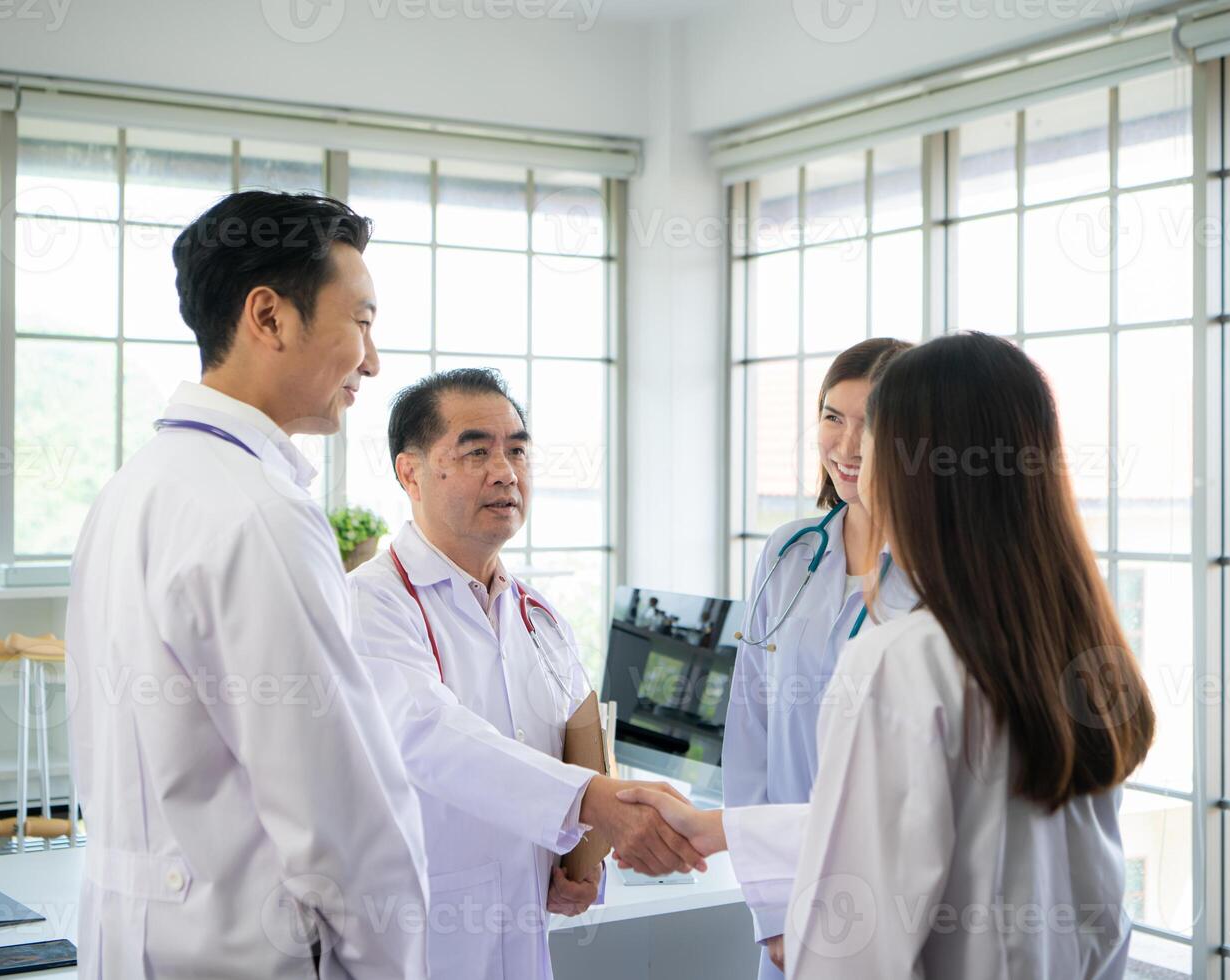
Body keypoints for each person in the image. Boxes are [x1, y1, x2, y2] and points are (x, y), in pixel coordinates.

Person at [622, 332, 1156, 978]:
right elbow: (1098, 917)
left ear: (918, 469)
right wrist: (723, 833)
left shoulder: (902, 660)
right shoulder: (1076, 650)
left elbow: (859, 932)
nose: (852, 457)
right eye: (836, 422)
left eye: (873, 439)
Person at [68, 192, 429, 979]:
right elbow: (343, 820)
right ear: (269, 317)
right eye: (361, 321)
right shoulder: (258, 512)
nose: (373, 360)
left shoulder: (134, 488)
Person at [347, 368, 706, 979]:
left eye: (517, 449)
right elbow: (426, 735)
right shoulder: (370, 602)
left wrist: (580, 865)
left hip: (524, 942)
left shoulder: (539, 616)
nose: (505, 472)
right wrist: (596, 803)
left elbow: (581, 744)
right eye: (476, 451)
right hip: (419, 946)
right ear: (409, 472)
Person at [722, 336, 918, 976]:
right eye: (833, 418)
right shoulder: (786, 552)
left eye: (873, 424)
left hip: (890, 902)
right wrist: (771, 907)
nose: (848, 446)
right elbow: (747, 730)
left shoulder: (939, 581)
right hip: (786, 894)